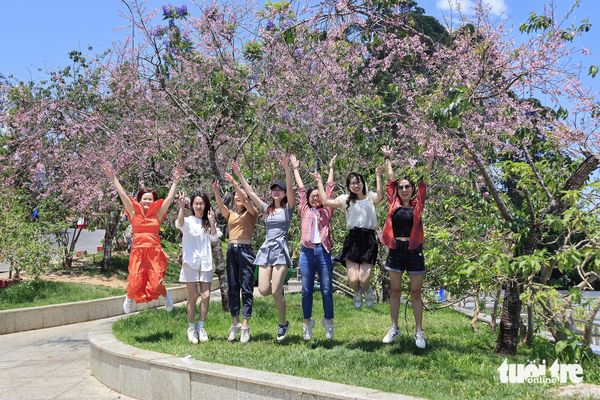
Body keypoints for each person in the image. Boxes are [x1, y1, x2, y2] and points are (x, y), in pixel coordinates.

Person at [101, 163, 182, 314]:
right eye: (144, 198)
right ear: (140, 200)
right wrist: (113, 178)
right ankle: (129, 296)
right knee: (135, 280)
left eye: (150, 199)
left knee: (156, 283)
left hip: (154, 252)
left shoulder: (158, 215)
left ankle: (166, 296)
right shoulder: (133, 212)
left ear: (153, 201)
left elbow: (169, 199)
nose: (146, 201)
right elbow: (123, 195)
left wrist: (176, 182)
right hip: (138, 251)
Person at [233, 156, 295, 342]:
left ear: (284, 193)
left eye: (279, 190)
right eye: (274, 190)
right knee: (264, 290)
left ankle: (283, 323)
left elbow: (292, 190)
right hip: (267, 250)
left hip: (281, 250)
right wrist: (239, 175)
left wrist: (287, 169)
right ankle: (279, 293)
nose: (276, 192)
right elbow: (250, 193)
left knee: (275, 290)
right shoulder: (266, 209)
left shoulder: (288, 209)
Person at [380, 146, 429, 349]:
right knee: (395, 290)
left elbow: (424, 181)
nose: (404, 189)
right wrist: (388, 158)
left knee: (416, 293)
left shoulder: (418, 204)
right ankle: (394, 327)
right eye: (401, 187)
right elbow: (390, 180)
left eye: (408, 186)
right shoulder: (394, 203)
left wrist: (430, 159)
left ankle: (419, 331)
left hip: (414, 250)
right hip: (395, 250)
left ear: (412, 189)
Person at [313, 166, 384, 309]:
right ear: (348, 186)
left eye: (358, 182)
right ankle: (357, 292)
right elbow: (326, 202)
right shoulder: (345, 200)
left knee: (364, 279)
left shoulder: (370, 197)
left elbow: (381, 197)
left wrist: (378, 176)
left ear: (363, 183)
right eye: (352, 183)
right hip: (353, 239)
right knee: (353, 279)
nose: (356, 185)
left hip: (368, 239)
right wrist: (319, 181)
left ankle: (366, 289)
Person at [290, 154, 337, 340]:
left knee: (326, 289)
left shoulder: (327, 209)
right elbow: (301, 189)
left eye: (318, 196)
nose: (316, 198)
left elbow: (329, 190)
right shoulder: (305, 209)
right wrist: (295, 169)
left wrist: (331, 169)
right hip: (307, 252)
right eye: (313, 196)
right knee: (306, 289)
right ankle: (307, 323)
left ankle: (329, 322)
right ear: (308, 199)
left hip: (324, 251)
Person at [212, 176, 258, 344]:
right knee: (233, 288)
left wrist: (234, 183)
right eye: (236, 196)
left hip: (246, 251)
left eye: (241, 196)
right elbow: (221, 206)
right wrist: (217, 192)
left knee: (246, 288)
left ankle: (246, 325)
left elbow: (246, 200)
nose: (238, 198)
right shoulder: (231, 214)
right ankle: (235, 323)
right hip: (231, 250)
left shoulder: (252, 212)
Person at [176, 191, 222, 344]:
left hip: (205, 263)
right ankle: (191, 327)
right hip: (190, 262)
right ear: (192, 205)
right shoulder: (188, 220)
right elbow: (180, 223)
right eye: (196, 203)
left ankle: (201, 326)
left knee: (206, 295)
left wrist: (212, 222)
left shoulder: (207, 222)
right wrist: (181, 207)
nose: (198, 205)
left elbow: (214, 237)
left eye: (201, 203)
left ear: (205, 205)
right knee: (193, 296)